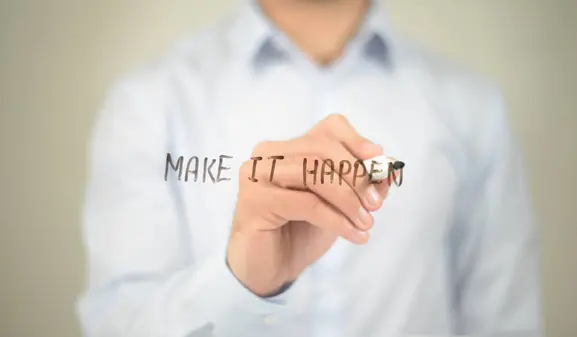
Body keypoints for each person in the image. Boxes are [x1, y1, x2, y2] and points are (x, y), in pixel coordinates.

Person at [77, 0, 543, 336]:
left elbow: (504, 323)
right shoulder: (147, 104)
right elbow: (119, 326)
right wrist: (240, 282)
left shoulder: (472, 107)